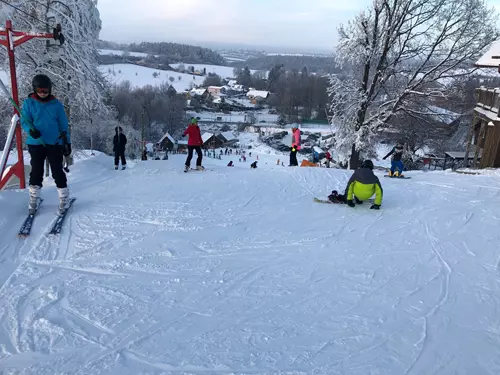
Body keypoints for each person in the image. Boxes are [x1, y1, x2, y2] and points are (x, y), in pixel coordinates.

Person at [21, 74, 72, 215]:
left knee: (57, 170)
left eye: (46, 90)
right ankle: (34, 198)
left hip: (54, 143)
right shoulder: (29, 103)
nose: (43, 93)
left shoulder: (56, 105)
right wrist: (31, 131)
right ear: (34, 89)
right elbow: (25, 121)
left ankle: (64, 197)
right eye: (40, 90)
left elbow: (63, 126)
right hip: (36, 142)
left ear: (50, 89)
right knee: (36, 170)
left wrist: (67, 142)